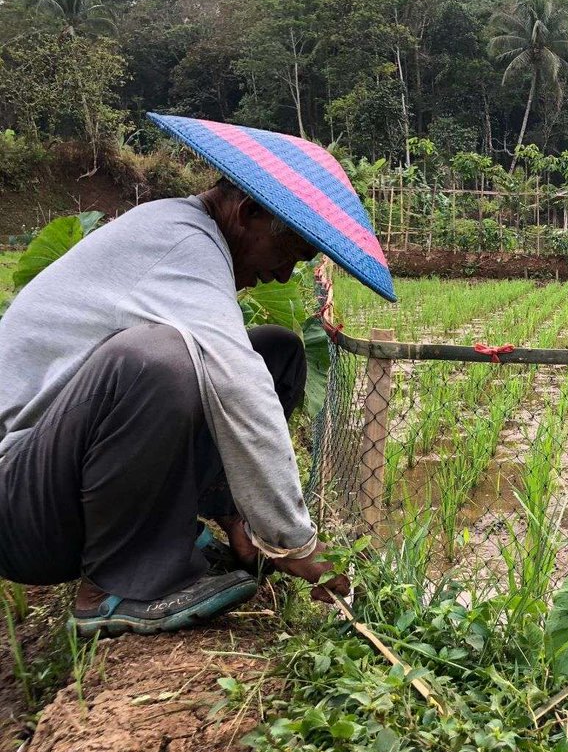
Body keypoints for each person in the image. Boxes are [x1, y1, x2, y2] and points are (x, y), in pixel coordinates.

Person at [0, 114, 397, 637]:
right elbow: (235, 384)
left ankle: (203, 532)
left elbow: (241, 371)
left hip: (60, 475)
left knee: (276, 349)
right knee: (156, 358)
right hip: (20, 506)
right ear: (246, 212)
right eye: (287, 253)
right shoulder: (181, 243)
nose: (283, 274)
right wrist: (296, 542)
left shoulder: (190, 231)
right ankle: (112, 589)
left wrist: (242, 516)